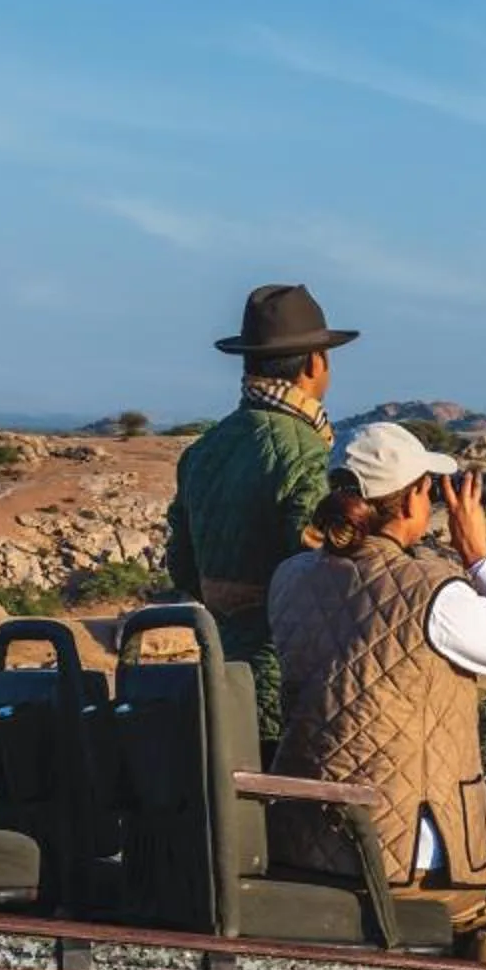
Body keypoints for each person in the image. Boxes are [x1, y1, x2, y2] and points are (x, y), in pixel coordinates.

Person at [269, 421, 486, 963]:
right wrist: (478, 555)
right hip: (396, 860)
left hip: (304, 844)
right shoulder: (434, 595)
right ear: (411, 502)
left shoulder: (289, 578)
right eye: (428, 487)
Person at [167, 284, 358, 745]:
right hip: (284, 670)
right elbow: (315, 561)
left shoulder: (204, 449)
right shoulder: (307, 450)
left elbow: (181, 563)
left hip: (221, 668)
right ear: (316, 363)